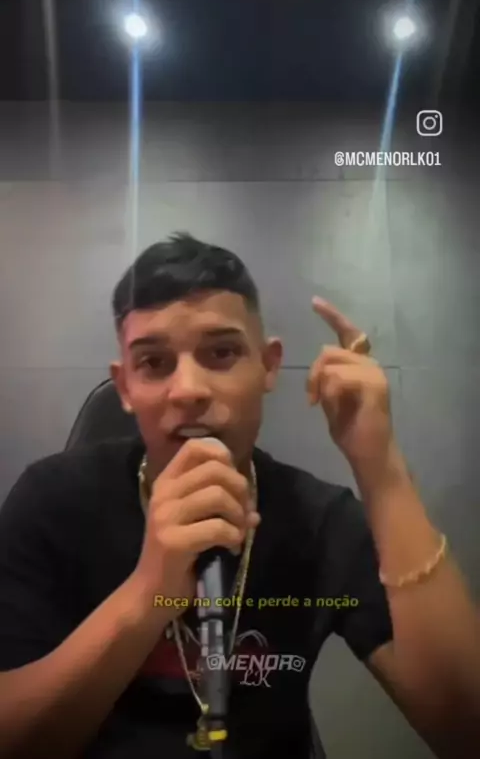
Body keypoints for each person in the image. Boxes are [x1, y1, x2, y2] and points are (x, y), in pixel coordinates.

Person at [0, 232, 479, 759]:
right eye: (154, 363)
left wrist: (381, 468)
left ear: (269, 366)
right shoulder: (53, 501)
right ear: (125, 387)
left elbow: (464, 729)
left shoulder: (317, 519)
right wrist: (148, 591)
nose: (188, 389)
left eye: (222, 352)